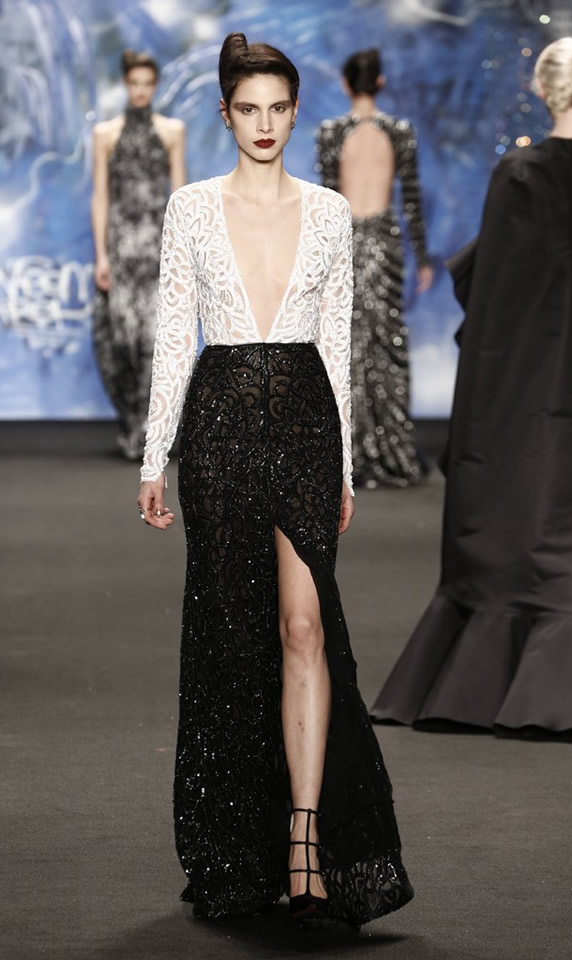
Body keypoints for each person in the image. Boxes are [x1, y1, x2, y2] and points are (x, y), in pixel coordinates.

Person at [137, 32, 413, 925]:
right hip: (218, 423)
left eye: (278, 108)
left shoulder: (329, 212)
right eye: (248, 109)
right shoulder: (190, 207)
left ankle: (304, 844)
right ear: (226, 115)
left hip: (304, 421)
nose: (264, 124)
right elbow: (174, 332)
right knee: (233, 639)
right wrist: (154, 455)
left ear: (296, 114)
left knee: (303, 626)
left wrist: (349, 466)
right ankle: (238, 845)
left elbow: (336, 343)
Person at [371, 36, 572, 740]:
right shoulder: (519, 173)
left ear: (542, 91)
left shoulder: (520, 173)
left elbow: (494, 304)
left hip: (529, 379)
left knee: (520, 494)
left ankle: (498, 667)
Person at [316, 48, 432, 489]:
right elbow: (412, 200)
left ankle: (346, 452)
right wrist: (422, 258)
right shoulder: (400, 131)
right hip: (385, 244)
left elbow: (327, 201)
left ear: (346, 84)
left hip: (344, 244)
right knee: (385, 342)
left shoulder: (330, 132)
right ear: (380, 82)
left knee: (342, 344)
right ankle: (391, 448)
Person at [91, 50, 186, 459]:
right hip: (121, 250)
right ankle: (132, 422)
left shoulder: (172, 131)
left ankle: (152, 432)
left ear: (155, 85)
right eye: (135, 83)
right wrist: (101, 255)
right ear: (126, 85)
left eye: (148, 83)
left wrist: (182, 254)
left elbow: (180, 197)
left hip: (157, 250)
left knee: (155, 340)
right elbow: (101, 196)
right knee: (121, 343)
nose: (141, 90)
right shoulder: (104, 134)